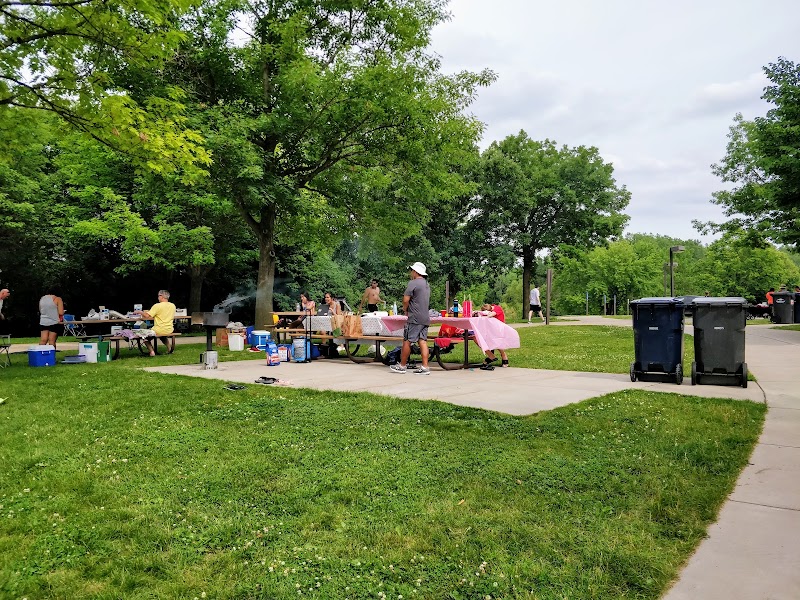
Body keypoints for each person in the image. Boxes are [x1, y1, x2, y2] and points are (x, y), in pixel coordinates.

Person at [390, 261, 431, 375]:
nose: (410, 273)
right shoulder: (426, 284)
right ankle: (425, 367)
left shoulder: (413, 283)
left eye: (412, 270)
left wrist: (405, 309)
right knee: (422, 341)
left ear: (415, 272)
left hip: (415, 317)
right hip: (425, 317)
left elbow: (405, 300)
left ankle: (402, 366)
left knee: (407, 341)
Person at [136, 290, 176, 356]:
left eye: (158, 296)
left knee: (144, 336)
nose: (158, 297)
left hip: (158, 329)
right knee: (163, 336)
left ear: (162, 296)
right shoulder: (172, 305)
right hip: (169, 329)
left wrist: (139, 312)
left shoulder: (157, 306)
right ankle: (169, 349)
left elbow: (147, 316)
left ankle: (152, 352)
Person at [478, 303, 509, 368]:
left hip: (499, 329)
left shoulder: (497, 308)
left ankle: (504, 355)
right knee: (481, 338)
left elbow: (491, 315)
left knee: (495, 340)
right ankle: (491, 355)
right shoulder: (491, 309)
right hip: (491, 329)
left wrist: (484, 314)